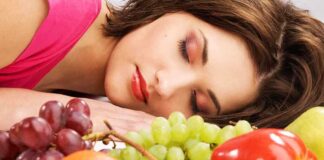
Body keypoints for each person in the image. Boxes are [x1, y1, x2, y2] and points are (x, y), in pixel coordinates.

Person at [0, 0, 323, 134]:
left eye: (197, 102)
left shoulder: (89, 110)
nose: (166, 84)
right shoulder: (25, 11)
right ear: (173, 7)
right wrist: (37, 108)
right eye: (186, 49)